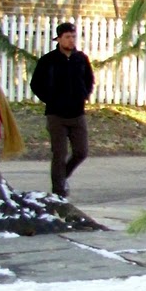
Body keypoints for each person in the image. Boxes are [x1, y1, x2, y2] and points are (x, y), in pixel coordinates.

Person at [30, 21, 94, 198]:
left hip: (77, 113)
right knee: (59, 153)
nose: (71, 40)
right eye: (67, 37)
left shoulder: (81, 58)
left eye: (73, 36)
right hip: (56, 115)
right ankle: (58, 191)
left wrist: (84, 95)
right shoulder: (48, 60)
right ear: (59, 39)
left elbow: (89, 80)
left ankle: (62, 176)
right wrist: (50, 99)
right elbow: (36, 84)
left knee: (81, 151)